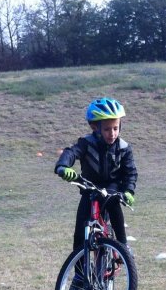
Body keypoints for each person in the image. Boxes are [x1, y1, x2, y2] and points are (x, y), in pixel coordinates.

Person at [54, 97, 138, 253]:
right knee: (80, 229)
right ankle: (79, 275)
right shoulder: (86, 143)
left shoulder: (124, 147)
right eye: (106, 129)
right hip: (89, 187)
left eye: (116, 128)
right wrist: (63, 166)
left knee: (113, 203)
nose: (112, 133)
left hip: (112, 186)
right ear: (95, 128)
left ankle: (123, 246)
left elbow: (130, 172)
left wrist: (128, 190)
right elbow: (71, 153)